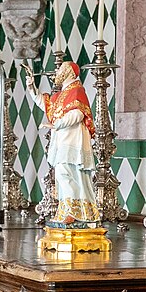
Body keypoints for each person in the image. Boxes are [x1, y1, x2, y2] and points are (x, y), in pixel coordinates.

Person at [26, 59, 99, 226]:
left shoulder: (77, 91)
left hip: (73, 139)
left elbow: (78, 114)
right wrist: (31, 87)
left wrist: (56, 124)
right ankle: (70, 210)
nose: (57, 72)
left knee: (67, 173)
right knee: (63, 174)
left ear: (70, 73)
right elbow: (45, 104)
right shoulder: (61, 94)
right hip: (62, 139)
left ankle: (73, 211)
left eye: (61, 70)